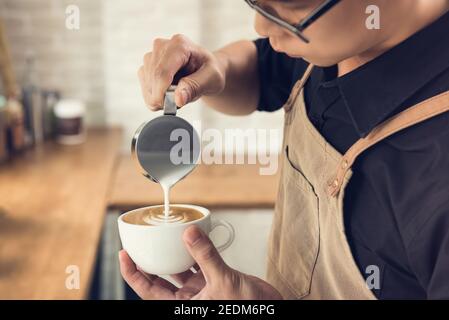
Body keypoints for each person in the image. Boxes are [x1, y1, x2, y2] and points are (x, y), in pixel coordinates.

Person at [119, 0, 449, 299]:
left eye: (294, 6)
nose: (261, 26)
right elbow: (263, 69)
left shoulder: (436, 178)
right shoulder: (339, 41)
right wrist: (218, 68)